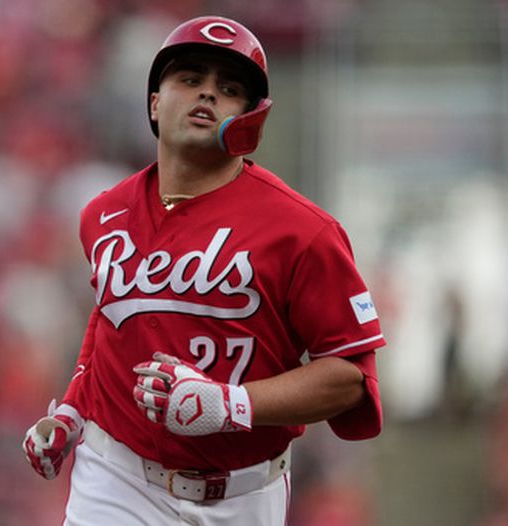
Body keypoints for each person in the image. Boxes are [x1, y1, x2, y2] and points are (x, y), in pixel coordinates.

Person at [23, 15, 386, 526]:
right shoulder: (102, 215)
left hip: (244, 491)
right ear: (155, 102)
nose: (208, 93)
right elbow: (111, 318)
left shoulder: (304, 231)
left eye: (229, 89)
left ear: (250, 118)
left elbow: (350, 379)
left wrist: (230, 404)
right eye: (190, 78)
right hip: (116, 477)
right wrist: (72, 410)